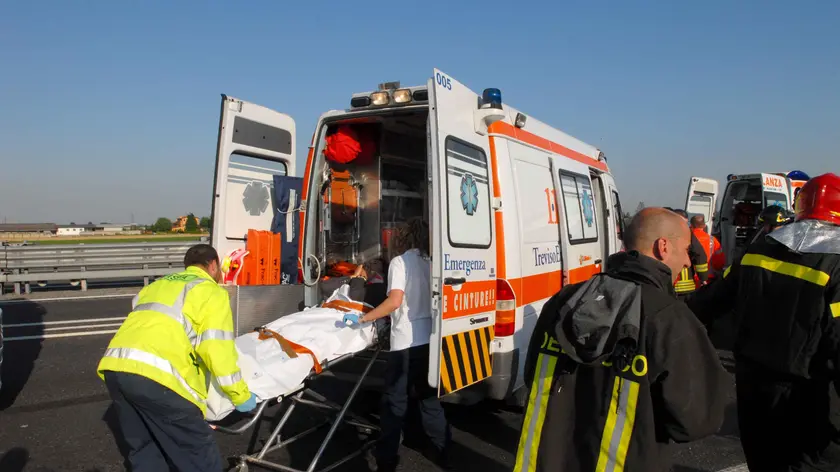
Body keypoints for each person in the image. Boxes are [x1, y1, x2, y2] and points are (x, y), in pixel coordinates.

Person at [514, 207, 728, 472]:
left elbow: (532, 375)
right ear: (663, 247)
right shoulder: (669, 318)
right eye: (686, 250)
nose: (688, 262)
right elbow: (696, 420)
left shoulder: (565, 300)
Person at [688, 173, 840, 471]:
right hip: (809, 401)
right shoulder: (836, 263)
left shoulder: (759, 248)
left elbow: (707, 303)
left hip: (753, 391)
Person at [97, 244, 256, 472]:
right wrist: (240, 395)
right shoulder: (210, 291)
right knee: (197, 451)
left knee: (145, 449)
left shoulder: (157, 285)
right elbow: (216, 350)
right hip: (157, 377)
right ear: (212, 265)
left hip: (116, 367)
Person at [343, 217, 450, 472]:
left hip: (404, 344)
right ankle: (444, 452)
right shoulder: (432, 263)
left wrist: (364, 317)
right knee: (428, 399)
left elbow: (395, 301)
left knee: (394, 403)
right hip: (429, 341)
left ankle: (387, 462)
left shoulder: (400, 263)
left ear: (402, 239)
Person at [668, 208, 709, 299]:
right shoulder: (687, 233)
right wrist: (703, 278)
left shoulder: (660, 231)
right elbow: (699, 254)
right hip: (685, 286)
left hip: (666, 285)